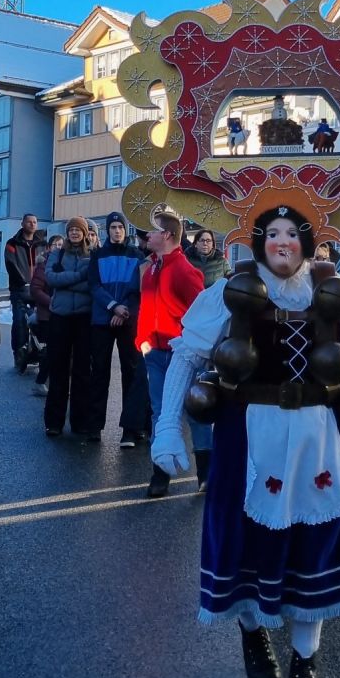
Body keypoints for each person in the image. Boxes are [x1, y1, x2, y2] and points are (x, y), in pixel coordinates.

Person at [152, 205, 340, 678]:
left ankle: (306, 664)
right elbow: (187, 356)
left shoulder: (334, 291)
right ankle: (253, 632)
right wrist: (166, 427)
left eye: (293, 233)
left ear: (309, 241)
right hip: (248, 436)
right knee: (248, 540)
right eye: (273, 233)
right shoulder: (228, 291)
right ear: (258, 240)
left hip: (320, 437)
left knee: (317, 545)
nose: (282, 242)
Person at [138, 208, 205, 498]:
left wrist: (189, 346)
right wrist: (142, 339)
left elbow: (201, 314)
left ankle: (206, 473)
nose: (146, 235)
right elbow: (146, 308)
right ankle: (160, 474)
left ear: (166, 235)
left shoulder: (184, 270)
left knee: (195, 411)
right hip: (154, 352)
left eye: (151, 231)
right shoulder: (152, 267)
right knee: (159, 413)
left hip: (182, 354)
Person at [86, 212, 149, 447]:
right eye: (112, 227)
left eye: (119, 227)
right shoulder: (97, 255)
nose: (116, 231)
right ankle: (94, 427)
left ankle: (131, 429)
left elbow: (138, 290)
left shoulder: (137, 256)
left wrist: (124, 312)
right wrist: (113, 307)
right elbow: (94, 286)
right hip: (102, 320)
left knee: (131, 373)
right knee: (99, 373)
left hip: (128, 320)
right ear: (107, 231)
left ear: (125, 230)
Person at [43, 218, 94, 438]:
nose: (74, 233)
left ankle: (80, 421)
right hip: (60, 317)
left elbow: (92, 282)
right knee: (58, 370)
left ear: (84, 233)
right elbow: (50, 278)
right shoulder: (57, 253)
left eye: (78, 230)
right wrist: (77, 277)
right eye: (71, 230)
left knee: (82, 372)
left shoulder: (91, 255)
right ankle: (54, 422)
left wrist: (66, 281)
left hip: (84, 317)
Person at [28, 235, 63, 394]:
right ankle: (41, 380)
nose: (59, 247)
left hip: (62, 313)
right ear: (49, 247)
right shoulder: (44, 264)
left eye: (62, 245)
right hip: (47, 314)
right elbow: (35, 289)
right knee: (51, 350)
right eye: (56, 244)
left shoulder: (65, 262)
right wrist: (52, 302)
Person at [4, 214, 40, 364]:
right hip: (20, 289)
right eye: (29, 222)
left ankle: (40, 348)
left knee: (40, 319)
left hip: (39, 289)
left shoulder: (41, 243)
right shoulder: (13, 243)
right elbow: (11, 264)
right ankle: (19, 350)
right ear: (22, 223)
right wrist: (22, 281)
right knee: (19, 320)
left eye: (34, 222)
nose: (32, 224)